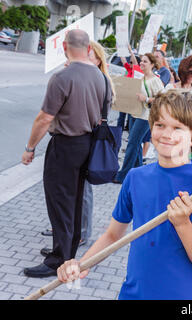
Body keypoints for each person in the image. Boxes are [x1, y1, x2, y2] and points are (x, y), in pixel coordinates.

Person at [57, 90, 192, 300]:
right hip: (133, 293)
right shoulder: (135, 177)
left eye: (178, 128)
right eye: (160, 125)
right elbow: (113, 235)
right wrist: (81, 264)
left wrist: (183, 224)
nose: (166, 134)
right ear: (151, 127)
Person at [21, 30, 112, 278]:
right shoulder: (102, 78)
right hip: (88, 145)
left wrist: (30, 148)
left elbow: (45, 118)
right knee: (74, 200)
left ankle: (58, 260)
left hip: (65, 145)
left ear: (64, 46)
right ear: (88, 48)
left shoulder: (63, 76)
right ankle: (66, 251)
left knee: (60, 201)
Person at [114, 53, 164, 184]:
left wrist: (146, 99)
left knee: (132, 143)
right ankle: (139, 173)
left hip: (146, 116)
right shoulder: (140, 78)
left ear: (152, 65)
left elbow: (162, 99)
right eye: (141, 61)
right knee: (135, 144)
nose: (141, 63)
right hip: (134, 113)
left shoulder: (156, 80)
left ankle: (123, 175)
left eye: (145, 62)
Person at [118, 45, 142, 131]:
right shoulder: (129, 70)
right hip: (125, 97)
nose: (130, 64)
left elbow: (134, 61)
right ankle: (118, 131)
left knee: (130, 117)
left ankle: (130, 132)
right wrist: (120, 49)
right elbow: (123, 60)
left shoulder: (138, 70)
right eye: (130, 63)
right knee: (121, 116)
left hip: (133, 98)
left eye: (131, 63)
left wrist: (130, 50)